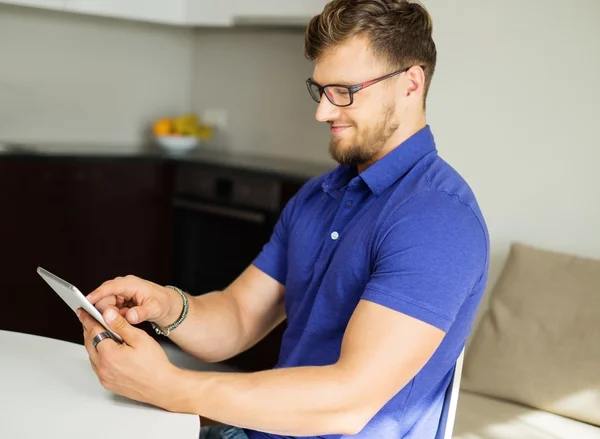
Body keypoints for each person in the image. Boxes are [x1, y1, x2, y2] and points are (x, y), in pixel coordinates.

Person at [77, 1, 490, 438]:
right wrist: (167, 305)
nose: (323, 112)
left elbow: (347, 402)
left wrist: (170, 386)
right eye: (321, 90)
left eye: (344, 91)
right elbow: (237, 317)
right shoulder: (319, 196)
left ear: (411, 82)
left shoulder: (438, 219)